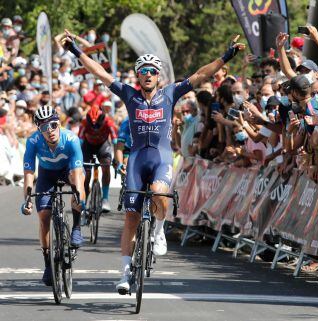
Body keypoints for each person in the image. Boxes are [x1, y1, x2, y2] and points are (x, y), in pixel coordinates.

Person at [59, 29, 245, 293]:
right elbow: (99, 73)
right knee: (131, 218)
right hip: (137, 159)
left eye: (152, 71)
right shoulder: (128, 94)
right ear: (138, 75)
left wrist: (226, 56)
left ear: (159, 76)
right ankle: (124, 274)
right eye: (143, 71)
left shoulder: (170, 93)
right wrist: (75, 51)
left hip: (160, 157)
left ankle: (159, 230)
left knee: (159, 192)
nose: (147, 74)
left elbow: (201, 74)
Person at [20, 105, 86, 286]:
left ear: (60, 124)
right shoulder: (33, 141)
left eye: (54, 125)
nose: (50, 131)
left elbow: (78, 173)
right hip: (46, 174)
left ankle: (77, 227)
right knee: (43, 217)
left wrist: (79, 195)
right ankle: (48, 263)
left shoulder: (71, 139)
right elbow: (29, 172)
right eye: (44, 128)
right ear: (38, 130)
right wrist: (27, 198)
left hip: (69, 171)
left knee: (77, 186)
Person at [78, 105, 117, 212]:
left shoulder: (108, 122)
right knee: (86, 174)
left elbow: (115, 141)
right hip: (88, 147)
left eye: (97, 126)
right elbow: (79, 142)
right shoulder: (84, 122)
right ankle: (84, 200)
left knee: (106, 168)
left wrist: (116, 159)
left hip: (103, 146)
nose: (95, 128)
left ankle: (105, 199)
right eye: (92, 126)